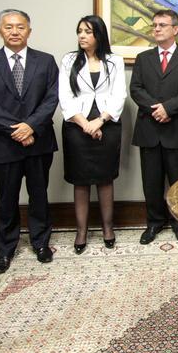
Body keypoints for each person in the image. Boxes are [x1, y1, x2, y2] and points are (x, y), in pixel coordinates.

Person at [0, 9, 58, 274]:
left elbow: (52, 98)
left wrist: (31, 126)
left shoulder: (46, 61)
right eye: (8, 27)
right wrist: (17, 130)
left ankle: (41, 243)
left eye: (20, 27)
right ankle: (5, 249)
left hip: (39, 141)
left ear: (29, 31)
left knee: (39, 194)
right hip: (4, 143)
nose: (14, 31)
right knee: (6, 198)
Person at [130, 10, 178, 245]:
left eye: (162, 25)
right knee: (151, 181)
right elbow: (136, 89)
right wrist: (156, 110)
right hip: (148, 129)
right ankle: (154, 222)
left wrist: (168, 109)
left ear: (175, 29)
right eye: (154, 25)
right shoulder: (143, 58)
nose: (157, 29)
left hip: (177, 129)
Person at [59, 15, 126, 253]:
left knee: (105, 178)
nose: (82, 36)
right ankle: (81, 231)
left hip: (107, 124)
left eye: (88, 32)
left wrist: (99, 121)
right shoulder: (69, 60)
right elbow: (65, 96)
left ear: (99, 35)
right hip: (76, 125)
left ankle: (108, 228)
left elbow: (119, 95)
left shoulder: (115, 61)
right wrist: (85, 124)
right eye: (80, 31)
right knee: (81, 179)